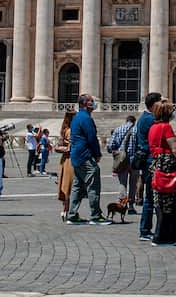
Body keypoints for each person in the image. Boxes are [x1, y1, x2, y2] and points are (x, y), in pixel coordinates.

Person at [148, 99, 176, 244]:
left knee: (160, 201)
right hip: (167, 165)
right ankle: (167, 235)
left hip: (157, 164)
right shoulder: (166, 127)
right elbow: (174, 148)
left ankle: (161, 234)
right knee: (171, 202)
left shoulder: (153, 127)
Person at [67, 94, 107, 224]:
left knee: (77, 186)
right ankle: (96, 216)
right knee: (93, 184)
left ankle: (72, 215)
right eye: (91, 101)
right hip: (85, 155)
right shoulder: (86, 118)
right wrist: (97, 153)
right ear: (85, 104)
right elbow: (91, 138)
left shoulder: (77, 117)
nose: (94, 103)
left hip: (76, 155)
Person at [131, 92, 160, 239]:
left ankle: (146, 229)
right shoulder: (150, 120)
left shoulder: (143, 118)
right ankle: (145, 230)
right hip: (150, 160)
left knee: (149, 196)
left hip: (146, 160)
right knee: (151, 197)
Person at [54, 109, 75, 219]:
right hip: (70, 160)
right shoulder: (71, 130)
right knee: (69, 186)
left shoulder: (64, 129)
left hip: (64, 160)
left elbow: (59, 145)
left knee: (65, 185)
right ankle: (68, 211)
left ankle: (64, 210)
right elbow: (72, 146)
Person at [107, 114, 136, 188]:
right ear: (134, 121)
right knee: (133, 182)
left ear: (126, 121)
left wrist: (113, 150)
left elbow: (111, 145)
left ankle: (123, 198)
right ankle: (131, 199)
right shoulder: (137, 129)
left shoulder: (118, 129)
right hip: (134, 159)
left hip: (122, 158)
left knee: (123, 182)